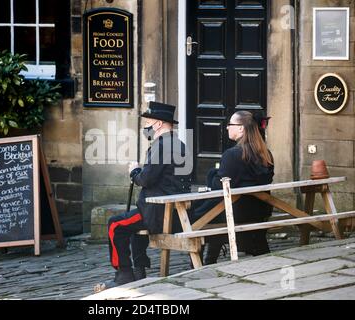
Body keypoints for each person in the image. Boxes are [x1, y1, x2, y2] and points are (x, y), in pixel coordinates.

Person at [96, 102, 192, 291]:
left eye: (147, 122)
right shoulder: (179, 144)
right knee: (130, 224)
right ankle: (139, 271)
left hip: (157, 211)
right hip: (173, 210)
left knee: (115, 225)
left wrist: (134, 171)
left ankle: (123, 274)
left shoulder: (162, 146)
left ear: (157, 124)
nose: (145, 127)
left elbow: (146, 179)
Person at [191, 110, 274, 264]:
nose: (227, 127)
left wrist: (212, 175)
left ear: (241, 128)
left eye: (230, 124)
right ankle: (210, 260)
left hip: (238, 213)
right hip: (260, 210)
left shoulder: (233, 155)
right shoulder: (266, 153)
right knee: (215, 210)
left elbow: (219, 187)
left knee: (199, 215)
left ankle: (204, 262)